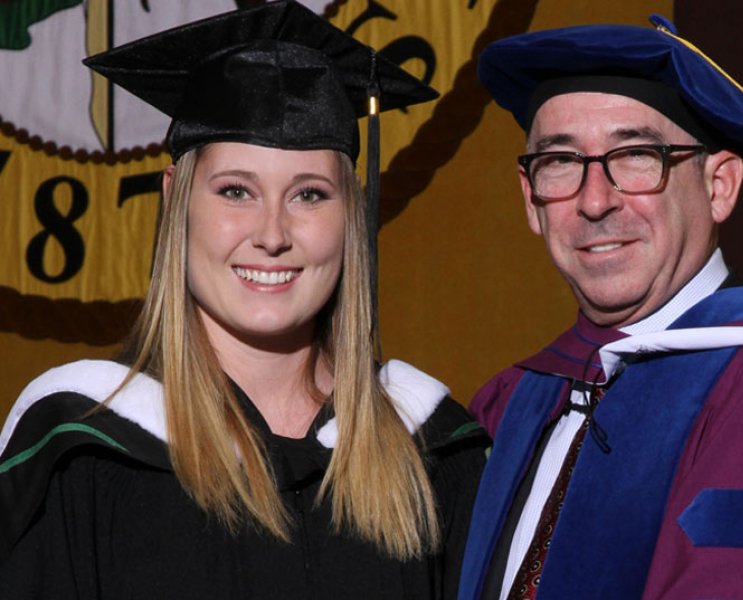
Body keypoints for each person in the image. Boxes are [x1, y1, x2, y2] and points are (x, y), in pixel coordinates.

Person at [0, 3, 488, 598]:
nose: (272, 233)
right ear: (176, 201)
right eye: (235, 190)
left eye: (309, 194)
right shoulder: (81, 445)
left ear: (351, 214)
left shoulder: (432, 450)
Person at [459, 15, 743, 600]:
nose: (595, 201)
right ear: (531, 199)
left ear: (719, 186)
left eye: (637, 155)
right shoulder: (513, 403)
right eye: (561, 162)